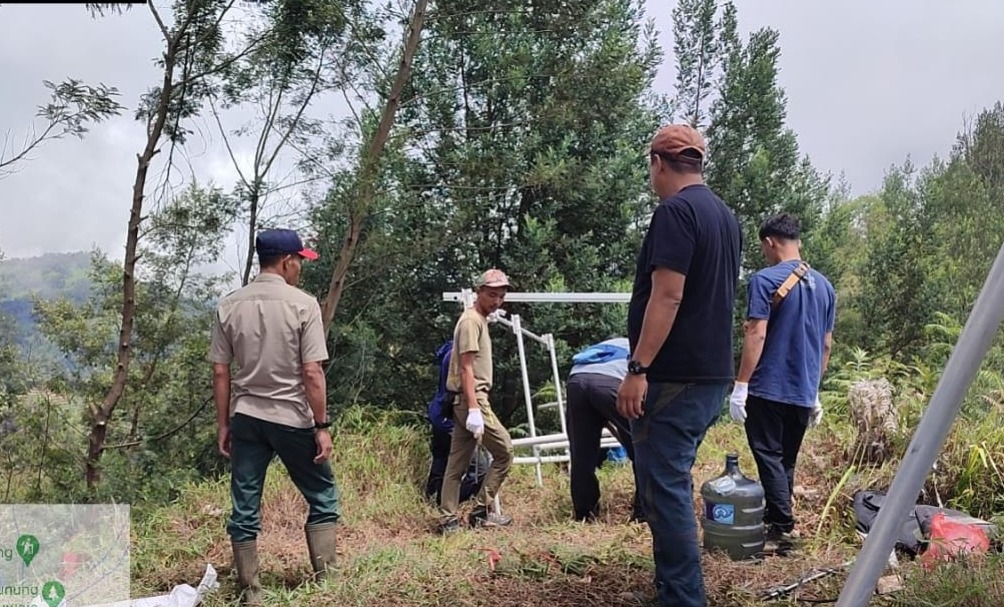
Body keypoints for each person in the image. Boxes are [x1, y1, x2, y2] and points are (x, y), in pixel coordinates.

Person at [617, 124, 742, 607]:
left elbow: (668, 296)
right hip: (710, 375)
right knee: (667, 485)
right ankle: (674, 589)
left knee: (664, 493)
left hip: (674, 377)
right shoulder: (724, 216)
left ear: (657, 163)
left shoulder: (674, 212)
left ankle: (684, 599)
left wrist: (637, 367)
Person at [209, 228, 340, 605]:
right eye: (299, 260)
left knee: (245, 503)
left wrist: (224, 425)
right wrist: (322, 426)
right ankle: (328, 580)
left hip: (247, 417)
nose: (300, 267)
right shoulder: (303, 305)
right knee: (323, 494)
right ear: (286, 261)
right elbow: (312, 372)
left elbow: (220, 371)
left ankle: (251, 592)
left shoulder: (229, 304)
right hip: (292, 416)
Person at [729, 213, 835, 552]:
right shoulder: (826, 287)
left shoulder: (764, 280)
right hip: (803, 389)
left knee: (768, 454)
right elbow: (827, 344)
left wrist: (741, 384)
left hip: (769, 384)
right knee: (785, 459)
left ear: (770, 243)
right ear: (797, 241)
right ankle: (778, 521)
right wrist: (814, 390)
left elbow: (756, 332)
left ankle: (783, 527)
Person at [437, 269, 515, 534]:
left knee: (456, 465)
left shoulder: (477, 320)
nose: (497, 301)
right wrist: (473, 409)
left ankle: (449, 519)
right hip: (473, 399)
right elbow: (466, 368)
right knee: (504, 452)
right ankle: (481, 511)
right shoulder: (471, 321)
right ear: (479, 291)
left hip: (464, 399)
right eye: (492, 294)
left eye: (501, 296)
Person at [565, 337, 645, 523]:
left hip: (576, 382)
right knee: (642, 449)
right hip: (610, 384)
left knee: (581, 454)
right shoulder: (642, 346)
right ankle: (643, 514)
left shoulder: (607, 344)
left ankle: (585, 514)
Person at [425, 338, 489, 504]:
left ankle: (432, 501)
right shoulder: (460, 355)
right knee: (480, 468)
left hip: (439, 413)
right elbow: (462, 388)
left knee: (441, 460)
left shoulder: (450, 349)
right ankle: (450, 503)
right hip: (453, 417)